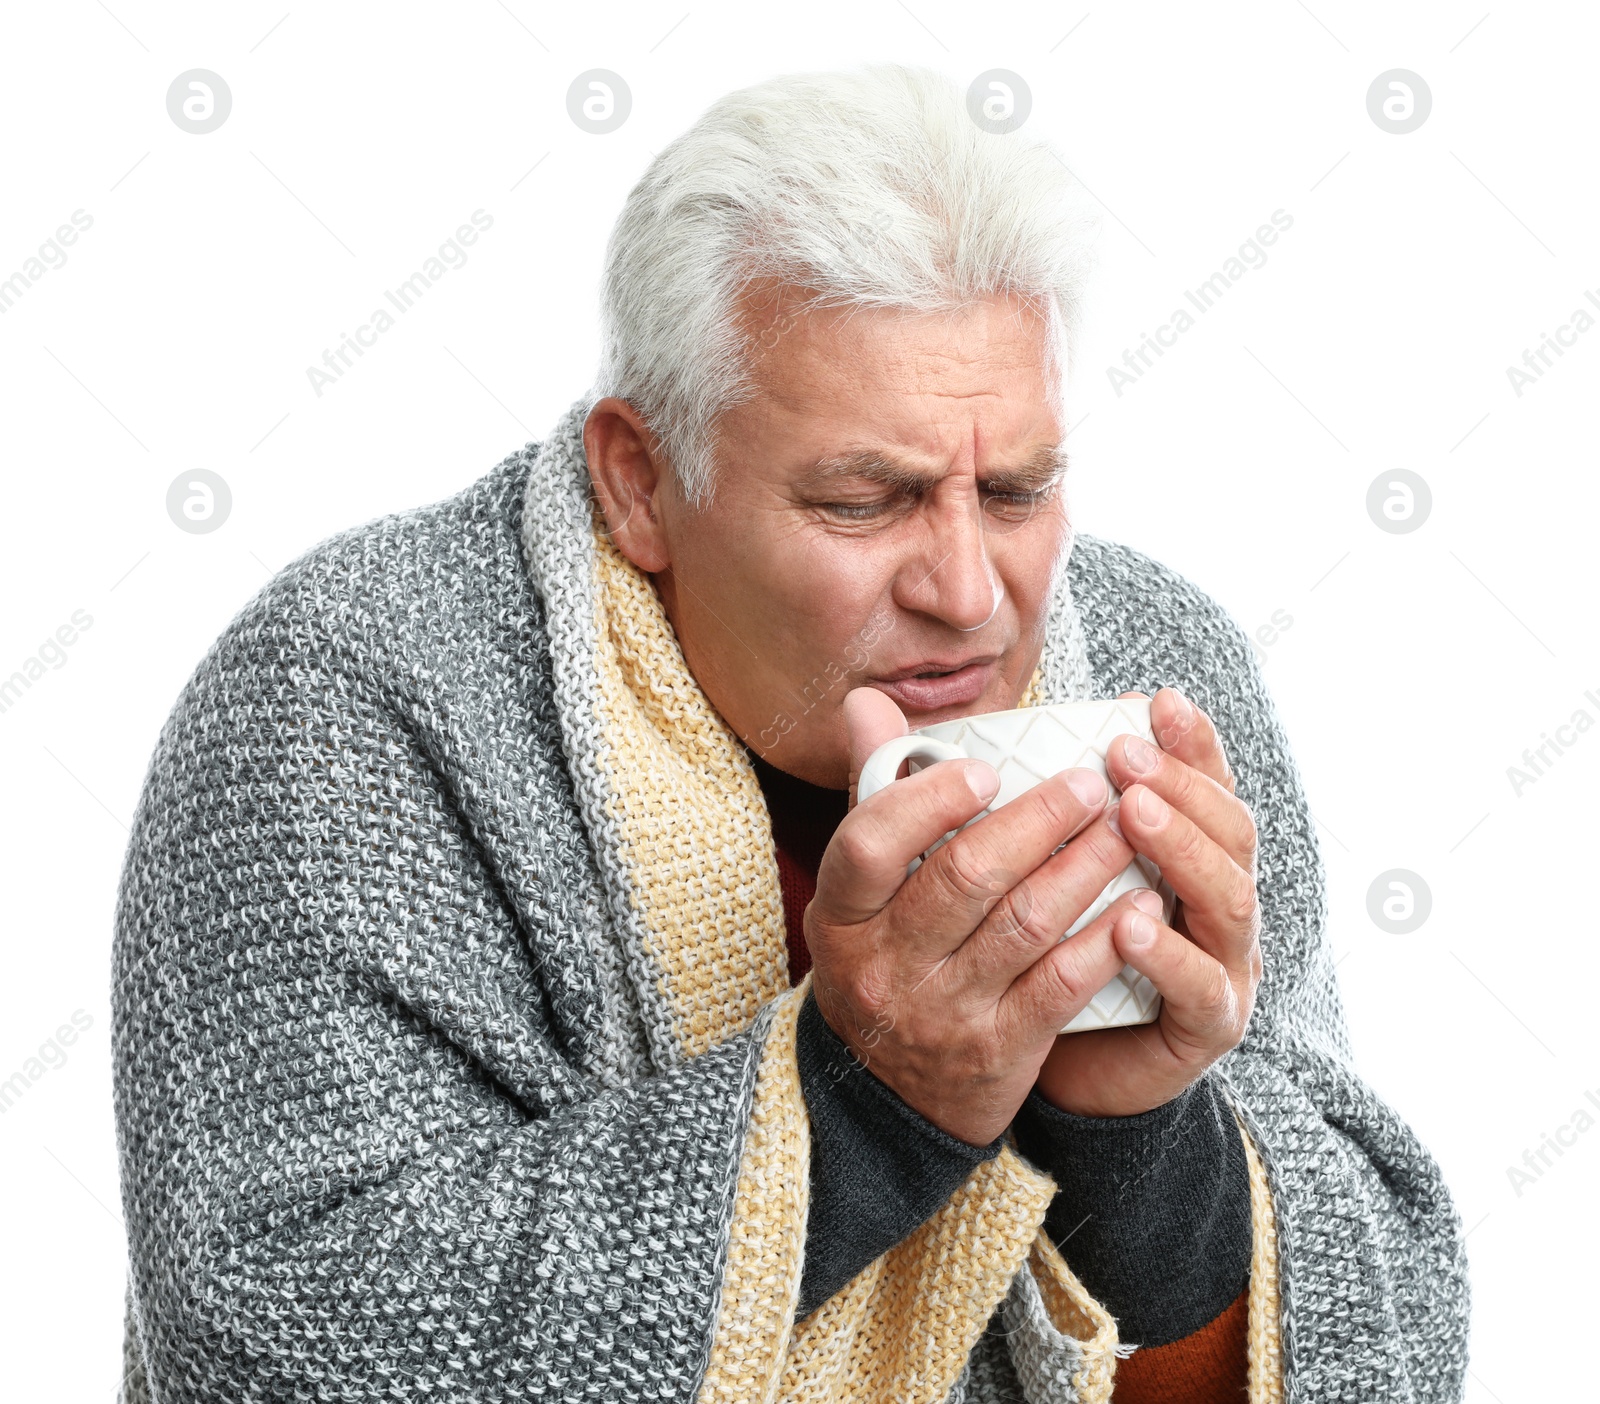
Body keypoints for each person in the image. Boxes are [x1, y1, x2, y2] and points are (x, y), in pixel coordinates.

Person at [112, 65, 1469, 1403]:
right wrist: (863, 1107)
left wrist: (1145, 1146)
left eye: (1014, 489)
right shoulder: (348, 699)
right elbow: (272, 1337)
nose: (969, 591)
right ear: (640, 483)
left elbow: (1388, 1340)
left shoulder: (1154, 666)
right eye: (865, 502)